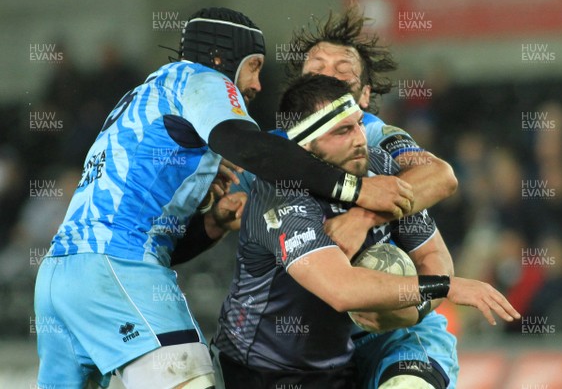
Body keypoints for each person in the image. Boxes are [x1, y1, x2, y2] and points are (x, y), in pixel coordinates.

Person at [33, 7, 411, 389]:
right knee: (191, 376)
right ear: (224, 59)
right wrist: (355, 188)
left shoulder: (142, 96)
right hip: (115, 265)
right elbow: (249, 146)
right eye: (254, 67)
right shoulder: (203, 79)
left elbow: (158, 240)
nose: (258, 85)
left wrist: (211, 223)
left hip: (59, 277)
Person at [211, 74, 520, 389]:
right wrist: (444, 287)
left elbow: (431, 252)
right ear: (306, 144)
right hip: (263, 370)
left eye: (359, 124)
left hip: (339, 365)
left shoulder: (379, 165)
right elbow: (343, 290)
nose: (360, 138)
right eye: (343, 131)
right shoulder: (280, 193)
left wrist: (412, 311)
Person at [224, 5, 460, 388]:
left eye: (342, 69)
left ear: (364, 96)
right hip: (305, 340)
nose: (327, 73)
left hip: (393, 329)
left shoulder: (374, 137)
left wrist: (363, 216)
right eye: (316, 65)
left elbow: (440, 176)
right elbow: (231, 212)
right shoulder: (270, 154)